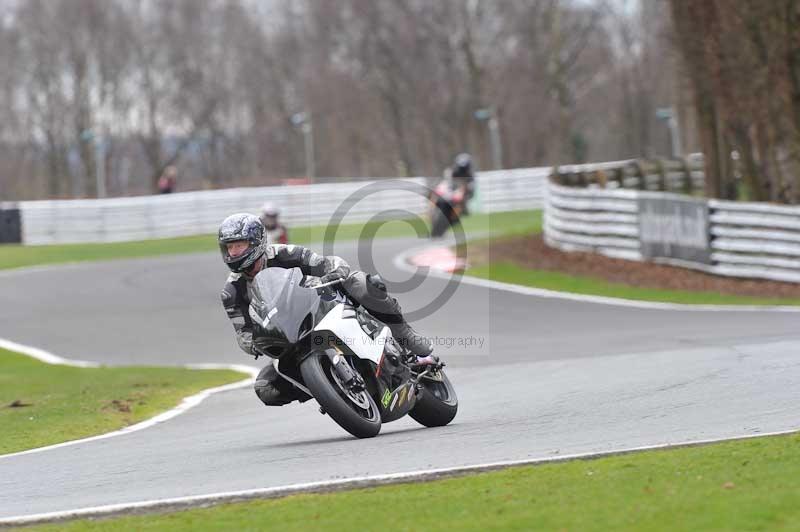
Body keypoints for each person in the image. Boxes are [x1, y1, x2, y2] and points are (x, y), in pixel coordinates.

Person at [218, 213, 435, 406]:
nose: (234, 252)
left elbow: (324, 263)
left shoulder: (284, 254)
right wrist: (254, 342)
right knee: (265, 388)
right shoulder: (231, 293)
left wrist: (335, 271)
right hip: (286, 336)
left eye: (239, 245)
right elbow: (243, 333)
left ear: (256, 242)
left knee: (359, 283)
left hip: (316, 305)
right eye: (230, 247)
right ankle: (328, 387)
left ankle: (405, 336)